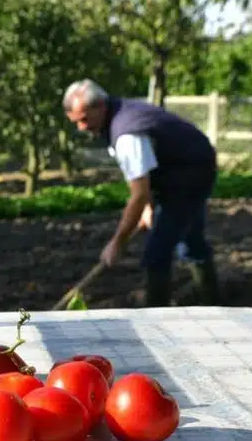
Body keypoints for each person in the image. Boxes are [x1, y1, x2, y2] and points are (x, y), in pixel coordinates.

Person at [62, 79, 221, 307]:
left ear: (101, 107)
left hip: (191, 176)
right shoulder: (117, 118)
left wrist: (117, 243)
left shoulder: (127, 134)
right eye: (76, 122)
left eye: (84, 119)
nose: (81, 127)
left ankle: (155, 317)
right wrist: (148, 207)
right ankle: (213, 304)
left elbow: (138, 194)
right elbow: (143, 176)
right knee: (191, 242)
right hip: (184, 167)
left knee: (157, 253)